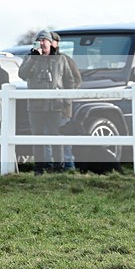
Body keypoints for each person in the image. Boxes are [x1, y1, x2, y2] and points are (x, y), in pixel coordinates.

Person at [18, 30, 77, 175]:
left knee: (56, 136)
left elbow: (70, 81)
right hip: (36, 106)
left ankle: (59, 168)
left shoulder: (61, 59)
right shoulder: (30, 58)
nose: (42, 43)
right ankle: (39, 168)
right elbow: (22, 75)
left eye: (45, 40)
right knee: (37, 137)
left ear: (51, 43)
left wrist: (66, 101)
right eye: (40, 40)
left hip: (55, 105)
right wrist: (33, 58)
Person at [50, 31, 81, 170]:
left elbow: (76, 80)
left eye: (51, 40)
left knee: (64, 136)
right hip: (45, 108)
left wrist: (66, 99)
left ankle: (69, 166)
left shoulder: (66, 60)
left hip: (62, 108)